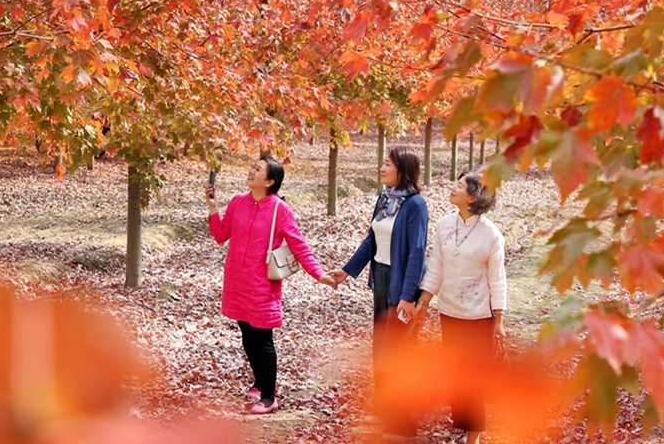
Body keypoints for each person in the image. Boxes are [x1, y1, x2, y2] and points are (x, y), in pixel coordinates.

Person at [206, 156, 338, 415]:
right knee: (247, 335)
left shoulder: (280, 209)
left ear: (270, 181)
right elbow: (221, 235)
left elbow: (298, 244)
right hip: (236, 280)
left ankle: (268, 396)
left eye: (258, 169)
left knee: (263, 338)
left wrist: (318, 273)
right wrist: (213, 208)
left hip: (262, 283)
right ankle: (258, 382)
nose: (251, 170)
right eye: (252, 166)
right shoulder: (237, 202)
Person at [330, 145, 428, 441]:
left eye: (387, 164)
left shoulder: (415, 204)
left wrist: (408, 297)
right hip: (382, 279)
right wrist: (347, 271)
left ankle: (405, 425)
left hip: (403, 285)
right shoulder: (385, 198)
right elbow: (371, 241)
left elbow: (417, 253)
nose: (382, 168)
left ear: (403, 169)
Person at [414, 172, 505, 444]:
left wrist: (499, 319)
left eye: (459, 185)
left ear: (473, 196)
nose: (452, 187)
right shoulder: (444, 225)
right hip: (449, 311)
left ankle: (474, 436)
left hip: (479, 316)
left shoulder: (491, 234)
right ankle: (465, 424)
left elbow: (497, 278)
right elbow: (436, 267)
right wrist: (423, 302)